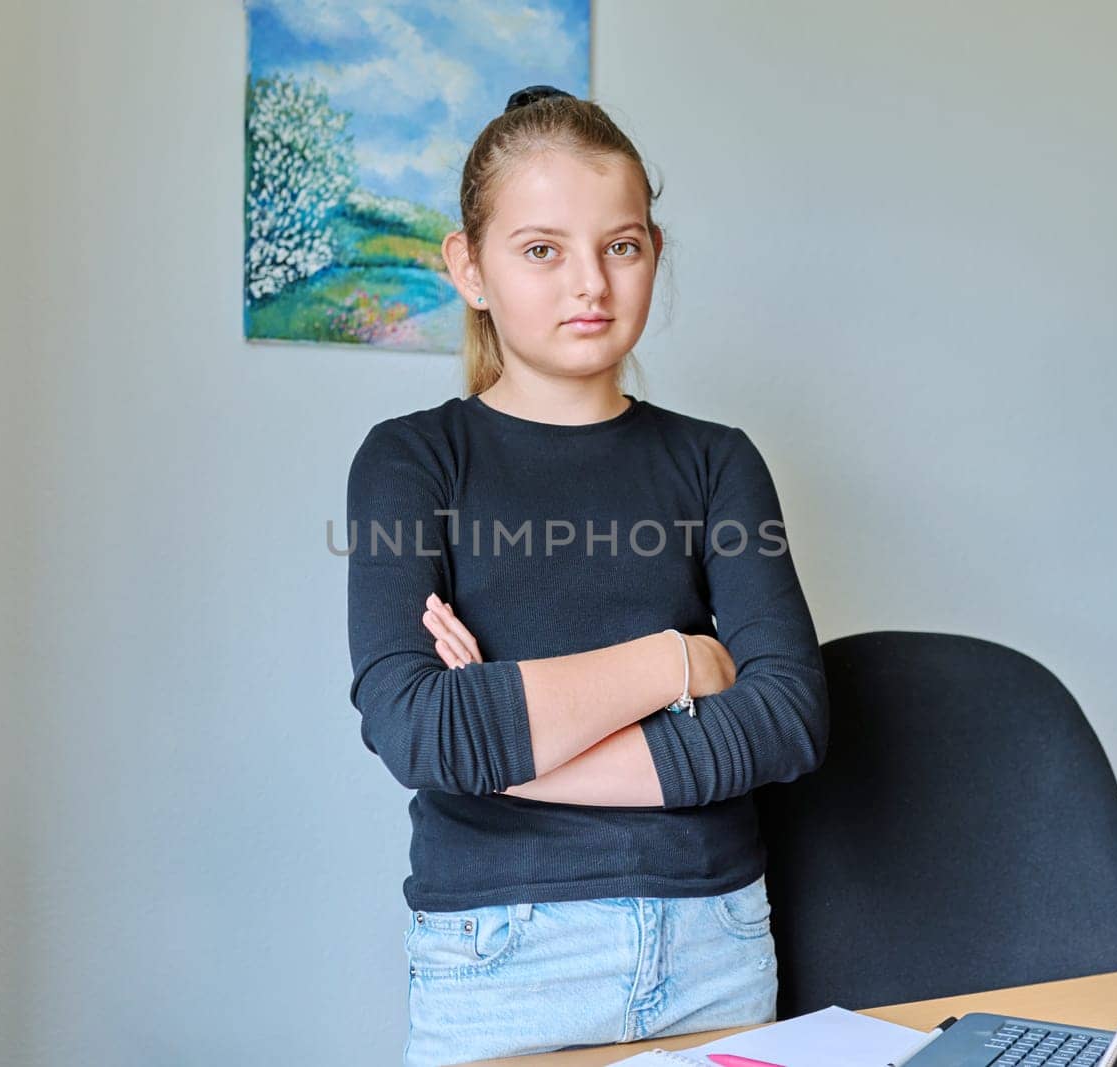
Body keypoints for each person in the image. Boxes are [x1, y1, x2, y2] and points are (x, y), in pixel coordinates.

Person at [344, 85, 828, 1066]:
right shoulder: (411, 463)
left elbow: (788, 716)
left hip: (715, 940)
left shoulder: (719, 462)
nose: (590, 285)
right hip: (499, 955)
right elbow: (417, 725)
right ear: (468, 267)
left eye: (622, 244)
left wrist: (506, 739)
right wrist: (680, 661)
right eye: (541, 249)